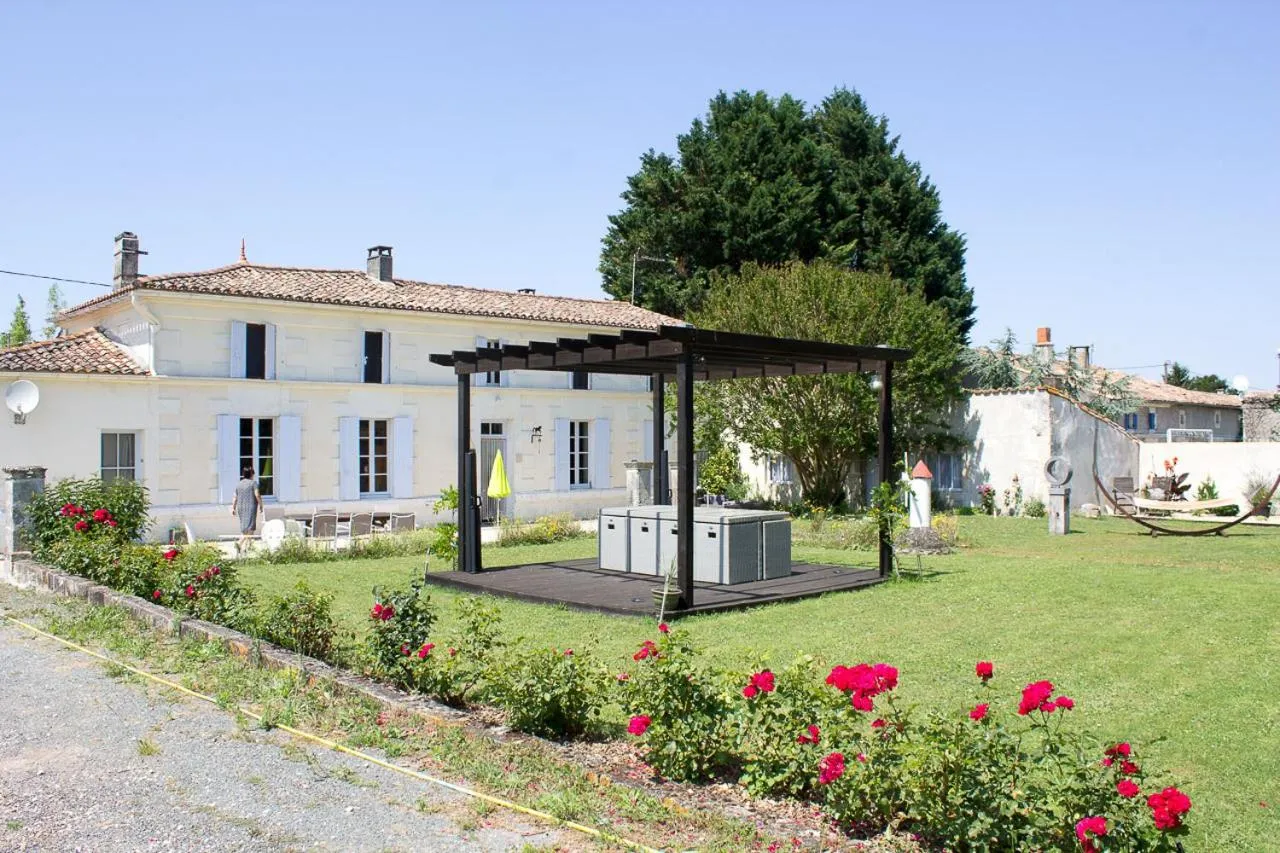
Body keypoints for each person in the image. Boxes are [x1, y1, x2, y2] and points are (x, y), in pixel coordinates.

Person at [231, 465, 262, 556]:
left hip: (241, 507)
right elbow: (257, 495)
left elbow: (234, 497)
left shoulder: (239, 484)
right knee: (250, 528)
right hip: (251, 507)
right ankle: (239, 543)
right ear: (251, 474)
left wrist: (233, 508)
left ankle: (245, 549)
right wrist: (261, 505)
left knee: (245, 527)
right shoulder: (253, 483)